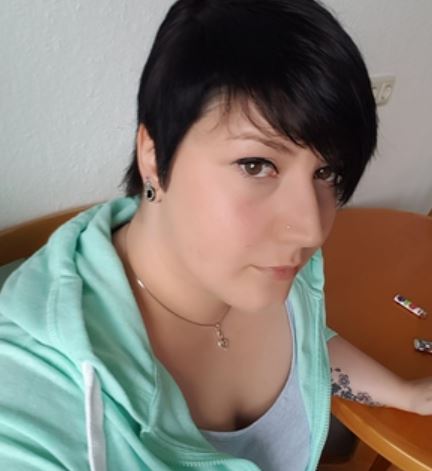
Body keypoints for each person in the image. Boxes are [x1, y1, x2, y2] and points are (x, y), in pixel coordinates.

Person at [0, 0, 431, 470]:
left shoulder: (278, 270)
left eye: (326, 172)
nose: (310, 229)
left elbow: (309, 341)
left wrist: (406, 393)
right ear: (153, 155)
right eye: (256, 165)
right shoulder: (33, 392)